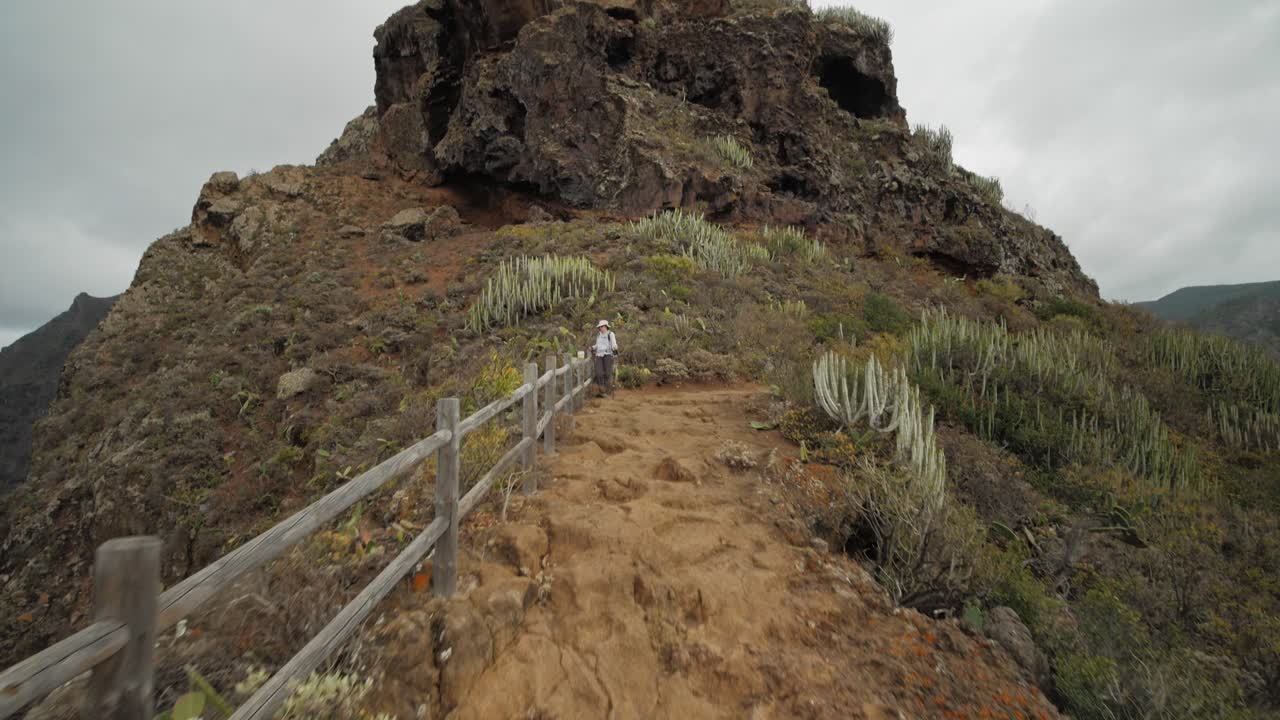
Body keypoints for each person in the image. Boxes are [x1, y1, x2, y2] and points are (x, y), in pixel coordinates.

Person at [591, 319, 619, 395]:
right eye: (600, 327)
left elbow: (614, 344)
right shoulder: (599, 335)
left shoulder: (611, 334)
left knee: (607, 373)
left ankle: (606, 390)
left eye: (602, 326)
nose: (600, 328)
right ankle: (601, 388)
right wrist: (593, 347)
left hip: (608, 354)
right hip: (599, 355)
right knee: (599, 372)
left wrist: (615, 351)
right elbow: (597, 345)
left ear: (606, 326)